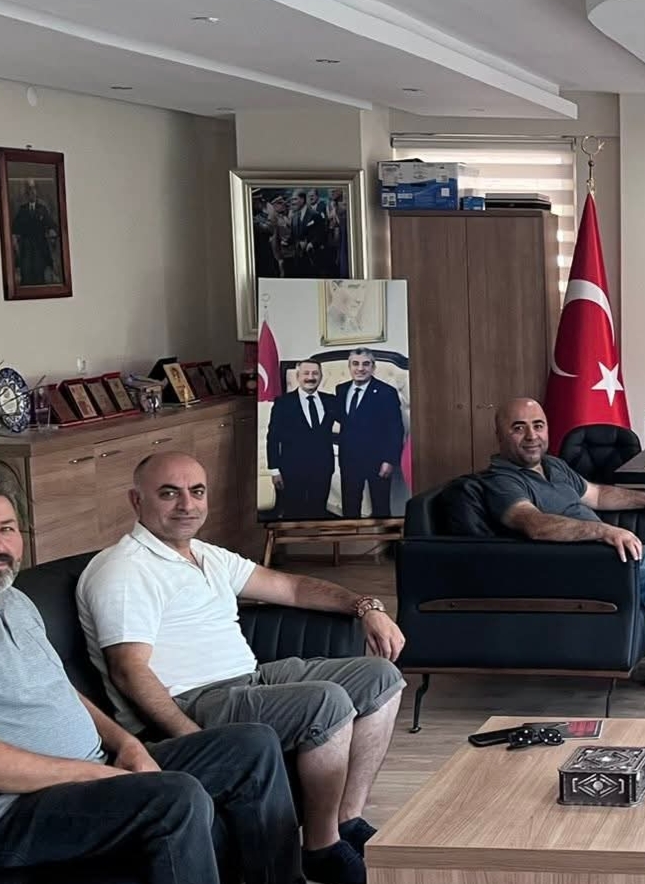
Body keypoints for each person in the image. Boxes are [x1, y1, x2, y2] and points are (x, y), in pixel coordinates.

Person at [0, 469, 300, 884]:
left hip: (86, 775)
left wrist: (127, 745)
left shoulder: (11, 599)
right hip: (5, 815)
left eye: (6, 528)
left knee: (252, 745)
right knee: (174, 799)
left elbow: (60, 688)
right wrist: (100, 775)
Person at [77, 452, 407, 884]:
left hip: (249, 681)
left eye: (196, 492)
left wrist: (367, 607)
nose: (187, 505)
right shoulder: (124, 570)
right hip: (194, 700)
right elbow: (128, 670)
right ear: (136, 501)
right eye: (169, 494)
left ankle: (347, 821)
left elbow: (291, 587)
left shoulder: (205, 555)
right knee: (325, 702)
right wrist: (193, 739)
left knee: (381, 677)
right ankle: (321, 847)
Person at [481, 398, 645, 698]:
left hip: (601, 559)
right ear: (500, 435)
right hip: (569, 571)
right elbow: (535, 525)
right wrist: (603, 531)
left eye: (538, 425)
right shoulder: (502, 481)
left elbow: (597, 495)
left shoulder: (552, 465)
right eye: (519, 428)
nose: (532, 436)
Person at [267, 359, 340, 518]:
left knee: (319, 512)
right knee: (294, 513)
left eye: (315, 373)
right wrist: (274, 470)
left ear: (321, 376)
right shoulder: (283, 403)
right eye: (306, 373)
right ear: (298, 376)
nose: (310, 377)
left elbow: (351, 422)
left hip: (323, 468)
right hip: (292, 470)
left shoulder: (331, 401)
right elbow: (273, 438)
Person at [336, 348, 405, 517]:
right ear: (349, 367)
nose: (360, 369)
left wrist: (389, 460)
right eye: (355, 364)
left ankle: (383, 536)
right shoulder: (341, 390)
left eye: (366, 364)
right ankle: (351, 535)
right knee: (350, 508)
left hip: (378, 460)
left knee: (381, 508)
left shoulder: (386, 392)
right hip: (349, 460)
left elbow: (395, 429)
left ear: (373, 367)